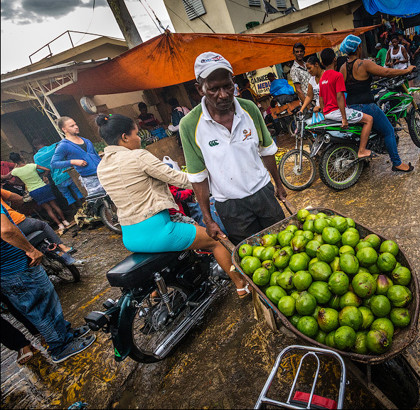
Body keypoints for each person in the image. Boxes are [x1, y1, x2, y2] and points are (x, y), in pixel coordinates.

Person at [95, 113, 249, 297]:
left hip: (131, 236)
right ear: (124, 137)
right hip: (157, 230)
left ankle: (157, 293)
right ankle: (242, 286)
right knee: (216, 239)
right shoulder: (138, 156)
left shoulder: (101, 167)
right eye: (137, 134)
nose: (139, 139)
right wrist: (210, 179)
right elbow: (177, 178)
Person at [180, 52, 288, 246]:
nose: (223, 95)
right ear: (200, 89)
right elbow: (198, 177)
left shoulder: (249, 109)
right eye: (214, 89)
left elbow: (267, 150)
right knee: (252, 254)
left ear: (234, 82)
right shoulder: (189, 125)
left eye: (227, 86)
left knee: (283, 243)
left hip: (263, 192)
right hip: (230, 206)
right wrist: (208, 219)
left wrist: (278, 185)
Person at [1, 202, 95, 363]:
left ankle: (65, 333)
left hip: (11, 269)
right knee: (40, 308)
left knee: (46, 303)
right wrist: (30, 249)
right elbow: (6, 230)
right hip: (16, 268)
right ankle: (60, 346)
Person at [338, 35, 416, 173]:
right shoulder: (364, 64)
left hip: (351, 107)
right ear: (358, 48)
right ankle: (397, 163)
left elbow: (341, 91)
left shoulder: (343, 68)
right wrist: (406, 70)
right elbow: (386, 71)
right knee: (389, 131)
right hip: (367, 106)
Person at [319, 47, 374, 161]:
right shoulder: (337, 75)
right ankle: (362, 150)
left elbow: (321, 98)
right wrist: (344, 118)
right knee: (369, 120)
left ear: (322, 62)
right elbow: (340, 97)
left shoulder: (322, 78)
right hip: (337, 112)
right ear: (335, 60)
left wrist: (324, 113)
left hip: (328, 113)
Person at [1, 188, 78, 262]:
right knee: (43, 225)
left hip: (6, 237)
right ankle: (62, 247)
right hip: (19, 222)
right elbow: (18, 198)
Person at [3, 153, 69, 233]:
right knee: (54, 205)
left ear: (13, 161)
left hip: (34, 191)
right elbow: (47, 170)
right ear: (21, 157)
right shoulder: (31, 165)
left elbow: (20, 183)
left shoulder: (15, 171)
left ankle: (60, 225)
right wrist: (44, 177)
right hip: (43, 187)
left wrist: (12, 183)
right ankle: (65, 221)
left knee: (48, 209)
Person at [51, 116, 105, 197]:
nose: (76, 127)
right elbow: (54, 163)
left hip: (103, 174)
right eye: (72, 126)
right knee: (102, 204)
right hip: (90, 179)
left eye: (75, 124)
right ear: (64, 129)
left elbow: (96, 156)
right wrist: (73, 162)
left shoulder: (87, 141)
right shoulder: (63, 145)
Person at [33, 139, 83, 210]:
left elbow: (40, 170)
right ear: (44, 142)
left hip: (57, 179)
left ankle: (76, 211)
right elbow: (65, 141)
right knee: (78, 191)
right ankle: (85, 207)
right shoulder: (54, 147)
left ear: (35, 146)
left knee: (67, 196)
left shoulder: (36, 157)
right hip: (68, 174)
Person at [299, 55, 324, 123]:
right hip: (318, 111)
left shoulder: (326, 75)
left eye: (310, 68)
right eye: (307, 69)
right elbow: (309, 96)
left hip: (328, 109)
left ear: (316, 64)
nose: (309, 71)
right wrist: (302, 109)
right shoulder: (312, 80)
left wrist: (320, 107)